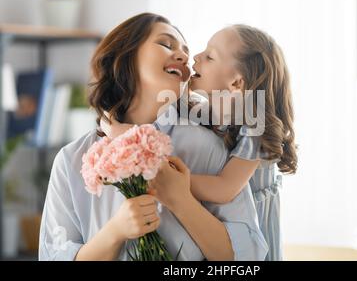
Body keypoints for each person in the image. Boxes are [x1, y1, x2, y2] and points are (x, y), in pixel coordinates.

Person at [38, 13, 268, 261]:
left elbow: (249, 258)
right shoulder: (72, 160)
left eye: (185, 52)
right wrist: (114, 233)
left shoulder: (207, 147)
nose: (184, 57)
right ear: (125, 55)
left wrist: (182, 201)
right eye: (166, 44)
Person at [103, 24, 297, 260]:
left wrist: (169, 180)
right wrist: (118, 129)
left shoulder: (255, 129)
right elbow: (160, 121)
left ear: (236, 83)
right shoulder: (204, 109)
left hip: (251, 228)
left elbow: (225, 189)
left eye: (209, 56)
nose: (194, 57)